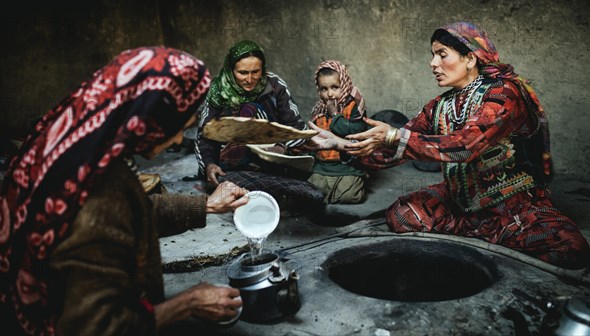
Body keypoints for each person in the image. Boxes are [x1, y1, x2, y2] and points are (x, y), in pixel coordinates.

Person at [0, 47, 250, 335]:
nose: (179, 138)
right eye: (181, 126)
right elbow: (94, 326)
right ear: (150, 118)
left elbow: (128, 212)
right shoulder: (99, 186)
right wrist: (187, 303)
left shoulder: (68, 136)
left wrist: (206, 205)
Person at [307, 22, 590, 269]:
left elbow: (467, 145)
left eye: (442, 54)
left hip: (510, 206)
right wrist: (338, 144)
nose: (433, 63)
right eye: (432, 55)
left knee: (570, 247)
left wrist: (395, 136)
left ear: (470, 58)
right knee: (400, 216)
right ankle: (481, 234)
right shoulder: (440, 106)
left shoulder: (504, 93)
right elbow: (395, 149)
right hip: (460, 200)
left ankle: (480, 233)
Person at [194, 39, 323, 207]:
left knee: (311, 194)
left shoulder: (275, 86)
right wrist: (210, 165)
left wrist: (281, 147)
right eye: (242, 73)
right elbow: (204, 136)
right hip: (232, 168)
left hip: (272, 164)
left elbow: (297, 128)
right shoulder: (218, 91)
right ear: (231, 69)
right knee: (229, 184)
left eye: (256, 72)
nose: (249, 79)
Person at [307, 60, 369, 204]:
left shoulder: (355, 106)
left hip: (347, 166)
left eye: (335, 87)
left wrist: (335, 115)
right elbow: (315, 139)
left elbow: (356, 131)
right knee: (310, 192)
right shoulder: (319, 110)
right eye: (324, 89)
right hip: (323, 166)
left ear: (344, 84)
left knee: (351, 196)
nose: (330, 94)